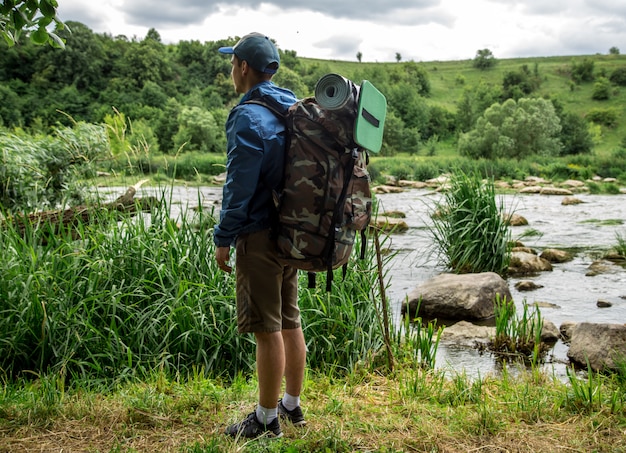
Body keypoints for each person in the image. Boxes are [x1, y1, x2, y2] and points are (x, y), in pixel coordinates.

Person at [213, 32, 307, 439]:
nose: (231, 71)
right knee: (289, 320)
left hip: (258, 234)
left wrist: (223, 237)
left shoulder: (247, 116)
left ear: (244, 67)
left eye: (232, 63)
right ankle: (291, 406)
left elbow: (239, 186)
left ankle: (267, 421)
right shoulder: (290, 107)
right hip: (291, 232)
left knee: (266, 329)